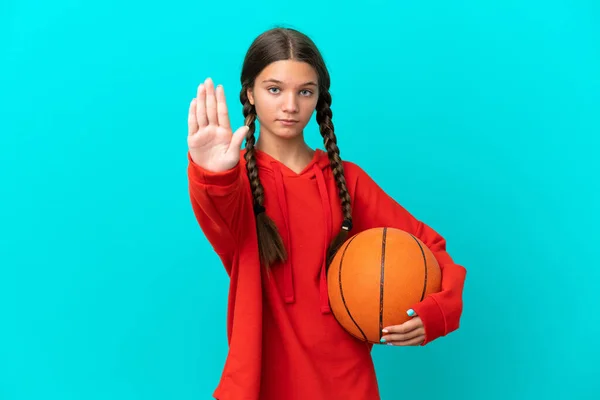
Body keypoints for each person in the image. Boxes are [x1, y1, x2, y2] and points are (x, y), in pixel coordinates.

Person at [186, 27, 466, 400]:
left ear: (319, 98)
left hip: (348, 384)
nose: (290, 105)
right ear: (250, 92)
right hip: (258, 385)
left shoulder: (346, 180)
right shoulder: (233, 182)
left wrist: (436, 313)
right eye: (274, 89)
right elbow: (217, 215)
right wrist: (213, 174)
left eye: (305, 91)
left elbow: (430, 248)